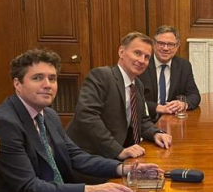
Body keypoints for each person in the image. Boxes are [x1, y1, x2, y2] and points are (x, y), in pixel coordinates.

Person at [0, 49, 157, 192]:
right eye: (37, 78)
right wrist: (90, 191)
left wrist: (123, 168)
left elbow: (75, 156)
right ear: (17, 84)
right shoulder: (4, 122)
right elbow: (30, 188)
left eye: (52, 79)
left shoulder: (49, 115)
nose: (47, 85)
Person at [67, 32, 173, 161]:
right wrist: (118, 150)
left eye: (146, 57)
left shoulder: (137, 85)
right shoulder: (101, 76)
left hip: (116, 155)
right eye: (137, 53)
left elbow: (142, 120)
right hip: (88, 157)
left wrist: (156, 133)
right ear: (121, 52)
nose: (142, 61)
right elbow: (87, 116)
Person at [138, 25, 201, 121]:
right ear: (154, 44)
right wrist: (157, 108)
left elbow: (194, 95)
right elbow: (133, 99)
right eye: (161, 43)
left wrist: (183, 104)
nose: (165, 48)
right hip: (145, 121)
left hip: (173, 120)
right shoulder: (142, 63)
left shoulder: (183, 66)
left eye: (170, 44)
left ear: (177, 46)